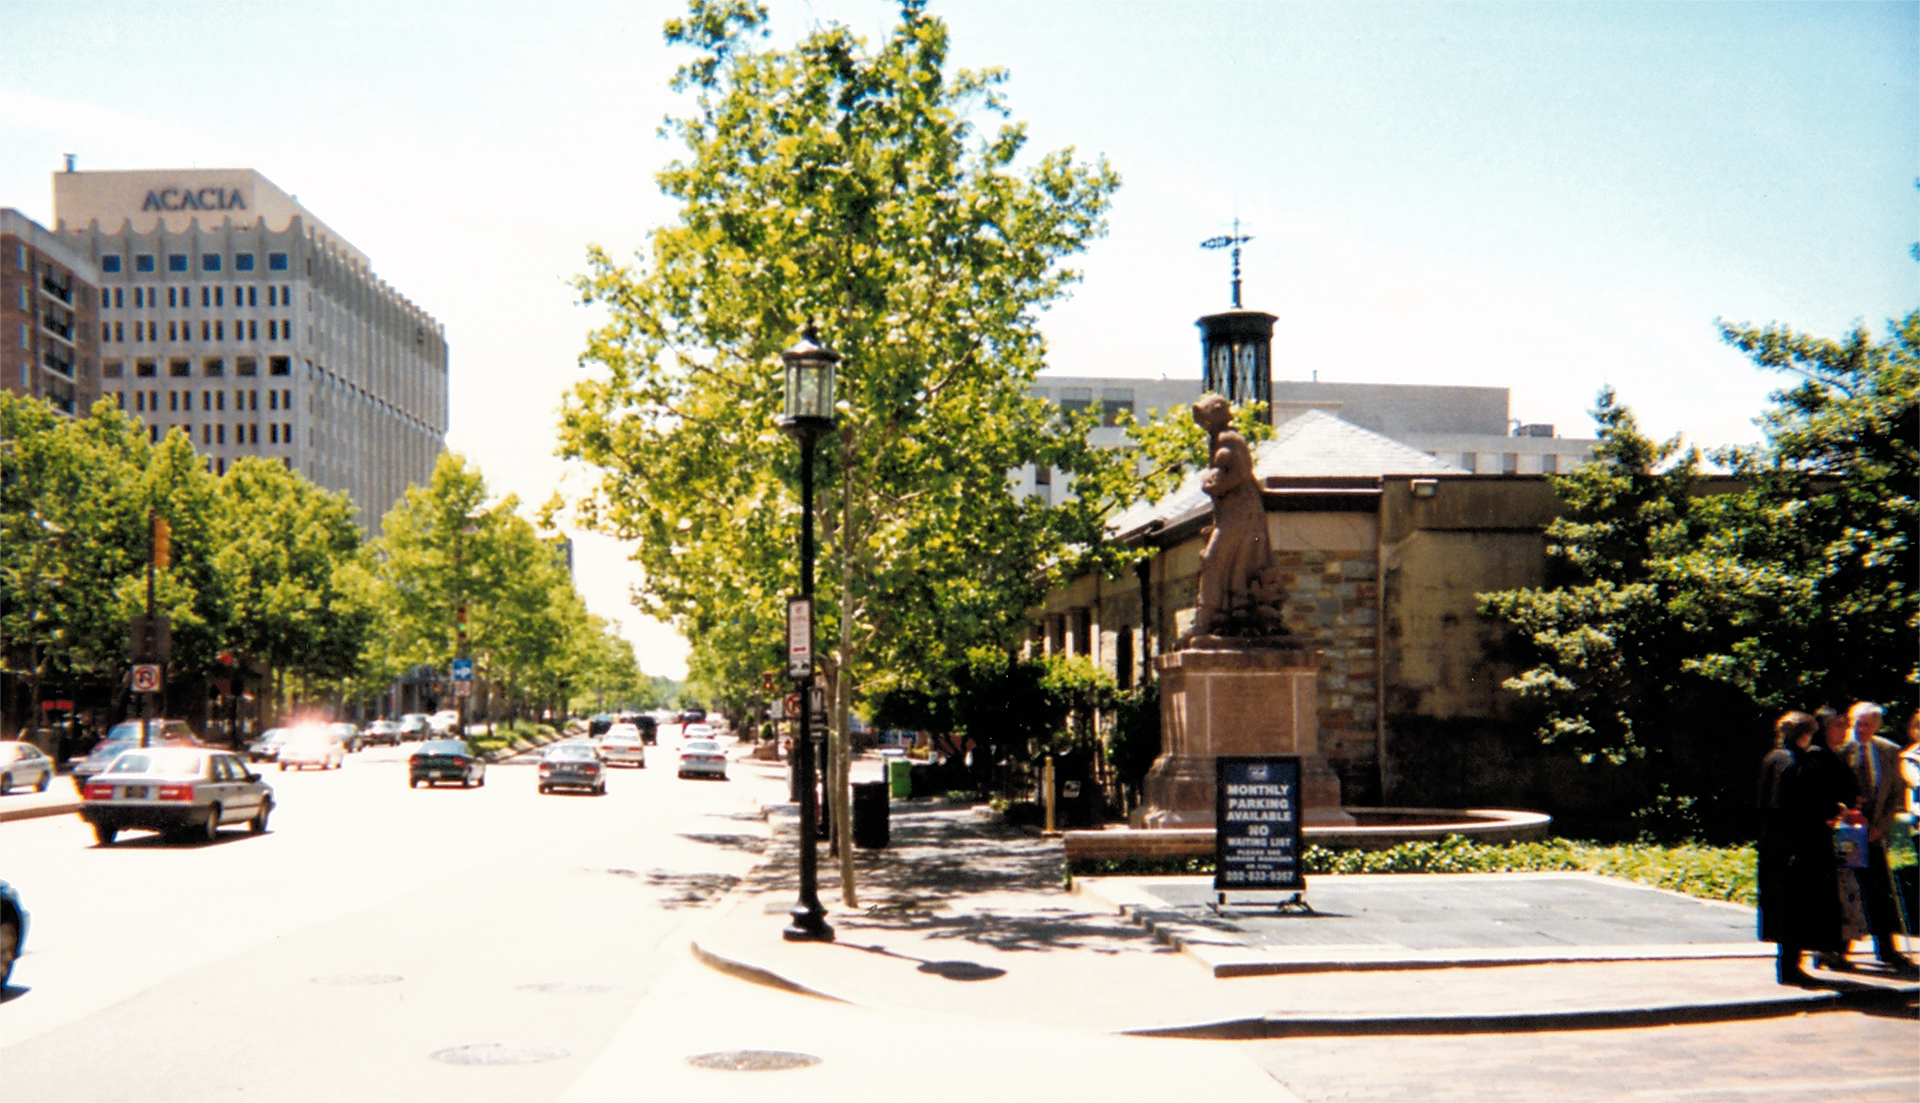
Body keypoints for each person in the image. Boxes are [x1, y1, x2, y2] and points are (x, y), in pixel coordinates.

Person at [1758, 710, 1856, 985]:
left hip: (1773, 844)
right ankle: (1791, 965)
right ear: (1805, 734)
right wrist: (1834, 809)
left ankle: (1785, 964)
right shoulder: (1802, 763)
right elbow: (1811, 805)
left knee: (1780, 907)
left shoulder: (1772, 758)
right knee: (1801, 907)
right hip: (1803, 844)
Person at [1841, 702, 1915, 972]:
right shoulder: (1840, 750)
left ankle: (1887, 948)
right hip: (1847, 828)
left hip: (1874, 830)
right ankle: (1839, 949)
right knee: (1847, 887)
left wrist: (1881, 826)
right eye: (1857, 724)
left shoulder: (1888, 751)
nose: (1861, 730)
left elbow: (1895, 794)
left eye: (1867, 725)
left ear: (1876, 727)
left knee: (1880, 890)